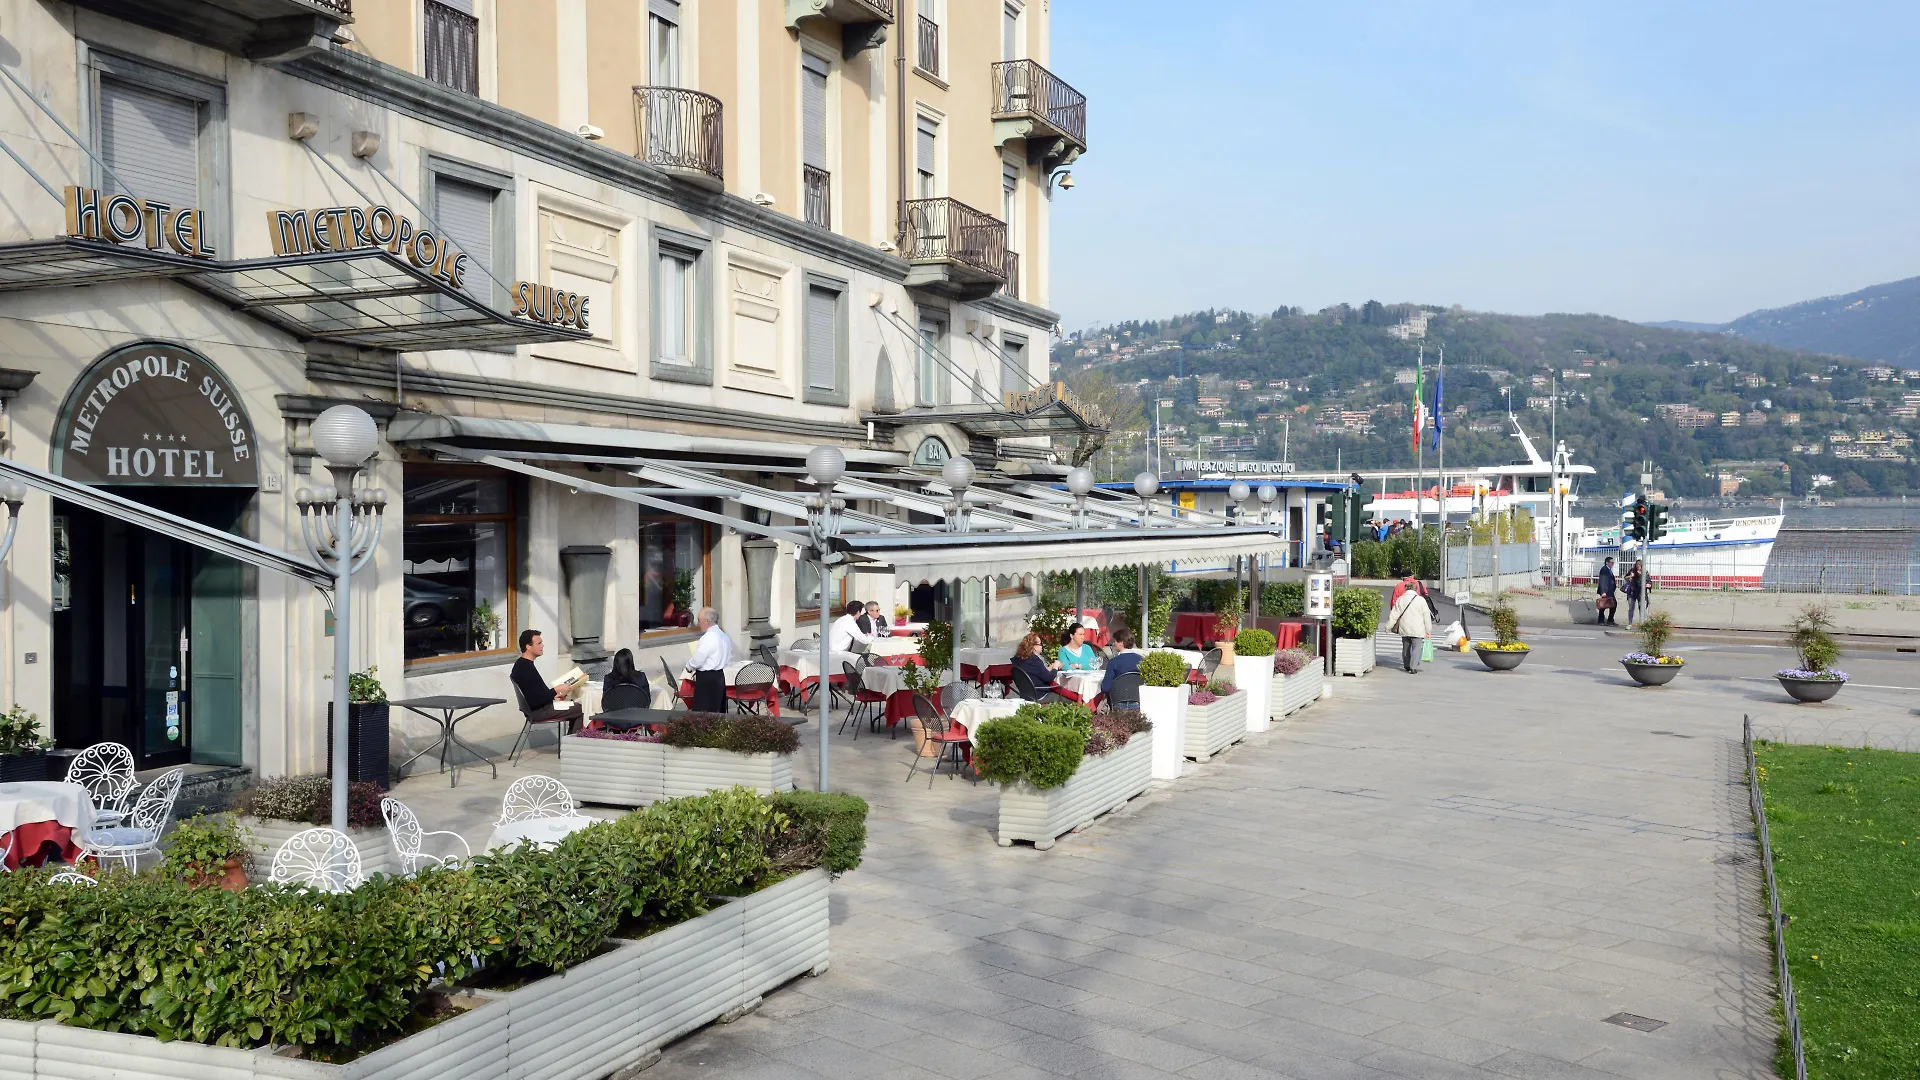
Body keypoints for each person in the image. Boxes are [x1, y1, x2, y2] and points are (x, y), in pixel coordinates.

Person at [511, 629, 585, 733]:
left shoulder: (522, 664)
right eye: (539, 643)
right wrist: (556, 690)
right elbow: (535, 700)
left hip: (538, 708)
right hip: (538, 711)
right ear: (528, 647)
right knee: (581, 709)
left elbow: (536, 694)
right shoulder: (525, 668)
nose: (542, 645)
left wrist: (554, 696)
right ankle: (573, 741)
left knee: (574, 706)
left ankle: (571, 739)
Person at [680, 607, 732, 713]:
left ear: (707, 621)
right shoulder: (724, 636)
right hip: (719, 677)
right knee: (717, 710)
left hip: (706, 679)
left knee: (703, 713)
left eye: (699, 620)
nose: (698, 624)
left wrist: (689, 667)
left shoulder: (708, 638)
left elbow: (697, 660)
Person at [1386, 572, 1434, 673]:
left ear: (1406, 589)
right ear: (1416, 589)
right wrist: (1428, 630)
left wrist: (1388, 627)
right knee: (1416, 648)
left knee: (1406, 647)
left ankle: (1406, 665)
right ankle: (1413, 667)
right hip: (1418, 628)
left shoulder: (1401, 599)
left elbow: (1394, 614)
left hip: (1404, 627)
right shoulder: (1421, 600)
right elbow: (1426, 616)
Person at [1011, 632, 1073, 699]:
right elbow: (1049, 678)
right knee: (1069, 699)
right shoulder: (1034, 660)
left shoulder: (1020, 659)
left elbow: (1038, 672)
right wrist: (1055, 667)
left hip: (1027, 695)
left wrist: (1051, 667)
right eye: (1040, 644)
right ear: (1034, 647)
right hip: (1040, 694)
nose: (1042, 646)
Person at [1100, 629, 1143, 696]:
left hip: (1118, 699)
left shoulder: (1113, 662)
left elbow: (1105, 687)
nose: (1113, 643)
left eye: (1115, 641)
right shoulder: (1142, 660)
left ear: (1121, 643)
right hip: (1138, 698)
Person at [1596, 556, 1618, 625]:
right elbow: (1602, 581)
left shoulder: (1609, 570)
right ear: (1607, 563)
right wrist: (1603, 592)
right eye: (1611, 562)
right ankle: (1604, 620)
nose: (1613, 564)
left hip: (1610, 591)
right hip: (1606, 591)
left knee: (1610, 605)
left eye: (1613, 562)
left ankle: (1607, 620)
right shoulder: (1604, 570)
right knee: (1605, 605)